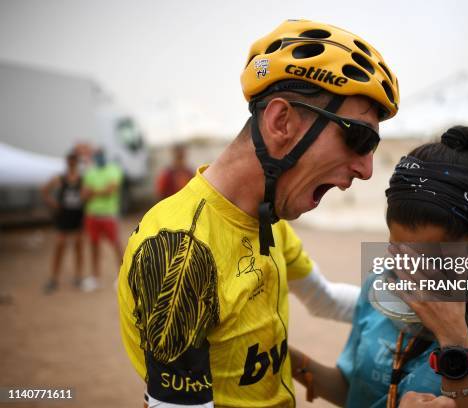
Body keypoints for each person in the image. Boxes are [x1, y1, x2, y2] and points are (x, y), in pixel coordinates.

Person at [117, 19, 448, 408]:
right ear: (281, 122)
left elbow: (324, 299)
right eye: (359, 139)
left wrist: (436, 307)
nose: (366, 170)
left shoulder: (266, 218)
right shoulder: (182, 248)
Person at [290, 126, 468, 407]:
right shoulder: (381, 284)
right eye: (398, 251)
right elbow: (355, 391)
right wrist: (287, 358)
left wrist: (455, 343)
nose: (409, 271)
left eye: (430, 258)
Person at [41, 151, 85, 293]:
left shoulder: (82, 179)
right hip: (63, 216)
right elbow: (44, 190)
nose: (72, 163)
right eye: (70, 160)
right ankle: (54, 277)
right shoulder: (60, 178)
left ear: (77, 162)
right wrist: (53, 204)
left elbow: (86, 195)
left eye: (74, 160)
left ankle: (78, 276)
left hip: (77, 216)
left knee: (78, 246)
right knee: (60, 245)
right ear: (67, 162)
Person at [81, 149, 124, 292]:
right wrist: (100, 192)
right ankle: (95, 277)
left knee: (116, 245)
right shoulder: (90, 172)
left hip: (109, 215)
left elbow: (111, 191)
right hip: (92, 215)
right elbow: (85, 194)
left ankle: (122, 276)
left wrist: (93, 192)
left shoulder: (114, 170)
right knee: (94, 245)